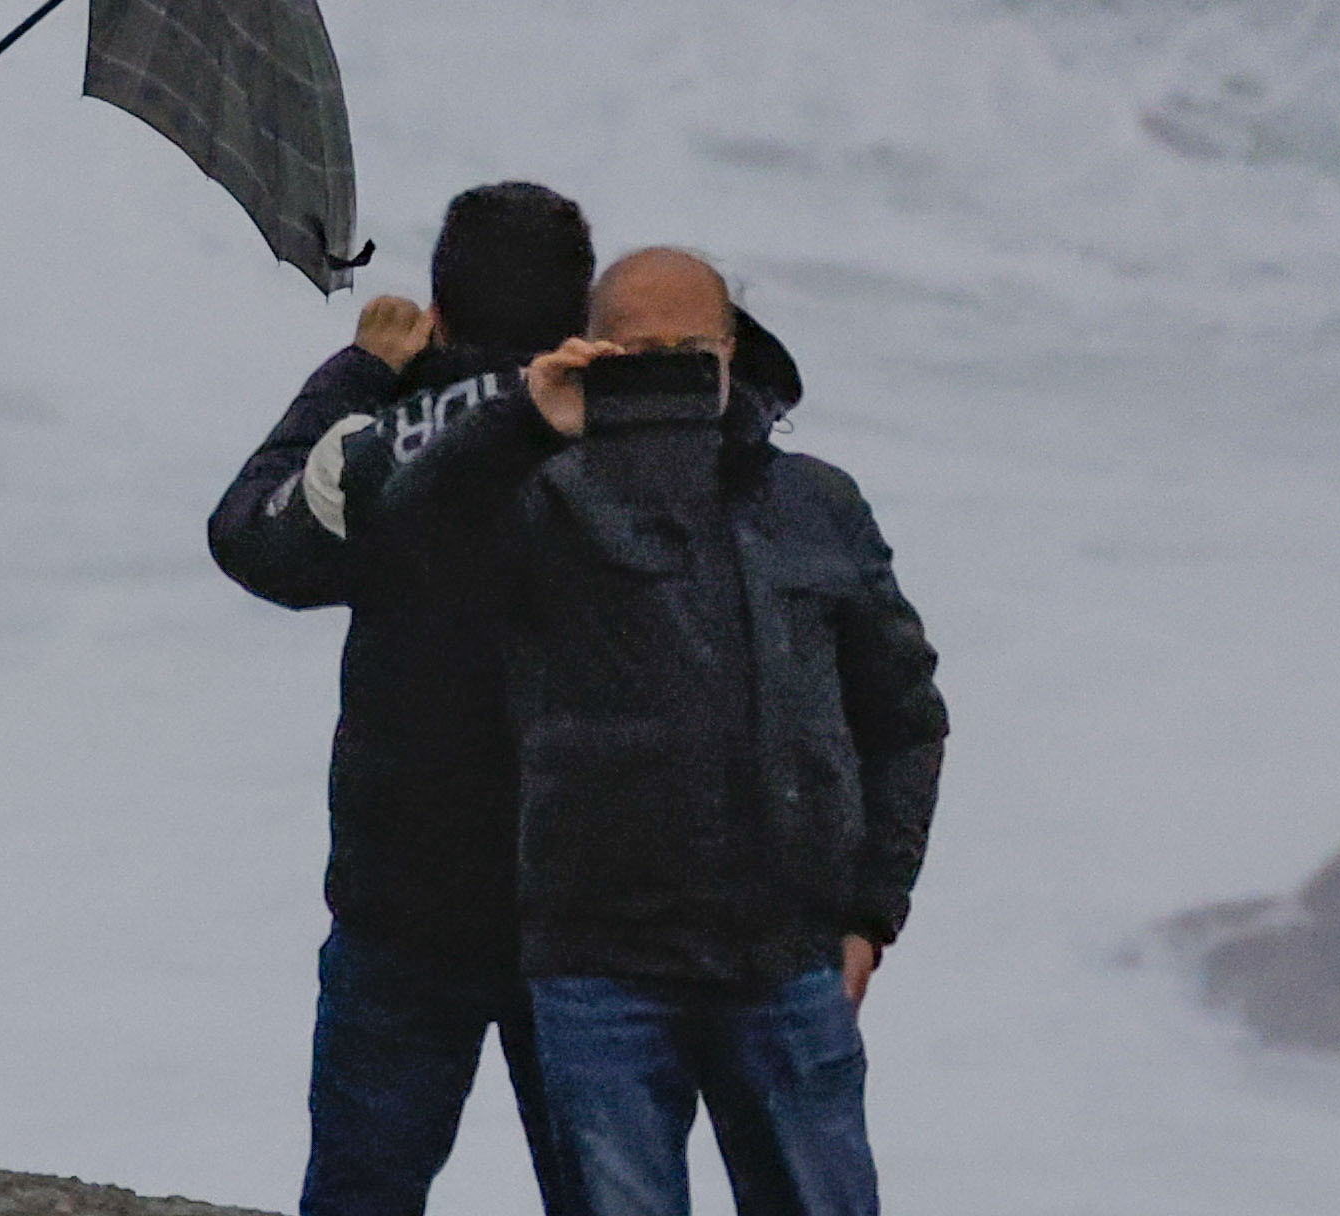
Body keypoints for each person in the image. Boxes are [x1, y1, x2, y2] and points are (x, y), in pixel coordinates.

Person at [375, 249, 943, 1216]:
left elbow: (904, 716)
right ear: (594, 354)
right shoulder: (541, 498)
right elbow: (407, 541)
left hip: (787, 956)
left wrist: (869, 915)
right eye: (640, 351)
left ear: (734, 352)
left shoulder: (817, 502)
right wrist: (524, 420)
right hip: (601, 965)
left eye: (691, 349)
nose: (670, 370)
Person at [209, 183, 599, 1216]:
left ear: (441, 304)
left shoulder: (392, 447)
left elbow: (252, 531)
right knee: (609, 1191)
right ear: (581, 310)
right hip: (589, 901)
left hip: (407, 897)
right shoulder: (626, 447)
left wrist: (363, 370)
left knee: (365, 1192)